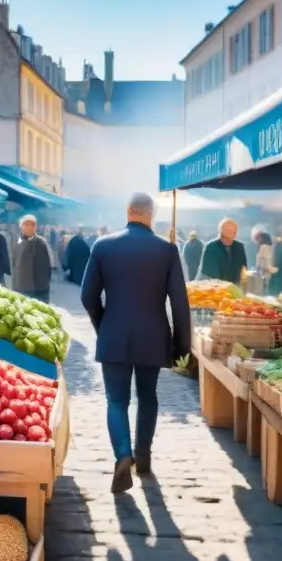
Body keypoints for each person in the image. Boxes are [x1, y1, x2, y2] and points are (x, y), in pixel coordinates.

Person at [81, 192, 191, 493]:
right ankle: (143, 458)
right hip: (153, 336)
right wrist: (183, 345)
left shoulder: (103, 246)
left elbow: (87, 295)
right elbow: (180, 303)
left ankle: (122, 454)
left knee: (116, 400)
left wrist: (102, 324)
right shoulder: (167, 250)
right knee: (148, 396)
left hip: (114, 333)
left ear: (128, 211)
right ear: (151, 213)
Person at [12, 215, 53, 302]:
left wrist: (41, 290)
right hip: (20, 287)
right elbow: (15, 264)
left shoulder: (40, 243)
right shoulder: (18, 242)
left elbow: (46, 268)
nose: (29, 228)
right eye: (26, 225)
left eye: (32, 225)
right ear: (21, 227)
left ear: (35, 228)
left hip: (35, 290)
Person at [198, 218, 247, 283]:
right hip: (215, 287)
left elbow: (243, 268)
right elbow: (210, 274)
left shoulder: (239, 247)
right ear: (221, 232)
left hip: (234, 286)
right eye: (228, 233)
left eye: (234, 232)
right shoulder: (211, 247)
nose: (230, 238)